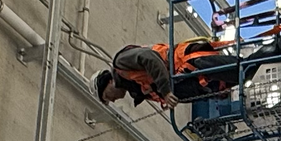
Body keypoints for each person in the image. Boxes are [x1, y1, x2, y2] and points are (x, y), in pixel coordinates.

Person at [94, 38, 242, 108]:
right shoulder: (136, 90)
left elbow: (150, 58)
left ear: (108, 82)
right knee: (243, 76)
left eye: (107, 96)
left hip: (192, 63)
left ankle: (263, 56)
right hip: (203, 83)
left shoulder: (121, 63)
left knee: (243, 69)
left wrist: (165, 91)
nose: (112, 100)